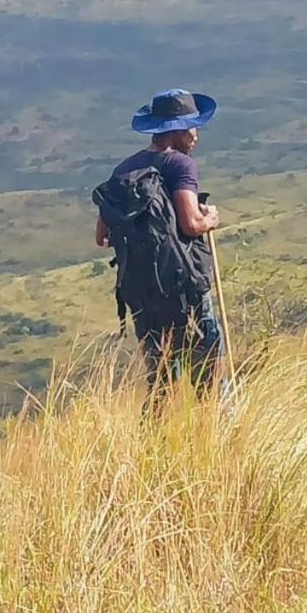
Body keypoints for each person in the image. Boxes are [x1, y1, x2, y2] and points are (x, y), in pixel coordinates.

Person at [95, 89, 225, 393]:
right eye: (192, 127)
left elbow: (101, 236)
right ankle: (221, 432)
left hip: (140, 292)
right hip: (184, 287)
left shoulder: (124, 171)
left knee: (162, 379)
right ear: (177, 131)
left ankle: (158, 435)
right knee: (209, 374)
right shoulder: (180, 165)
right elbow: (191, 224)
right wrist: (211, 219)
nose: (196, 136)